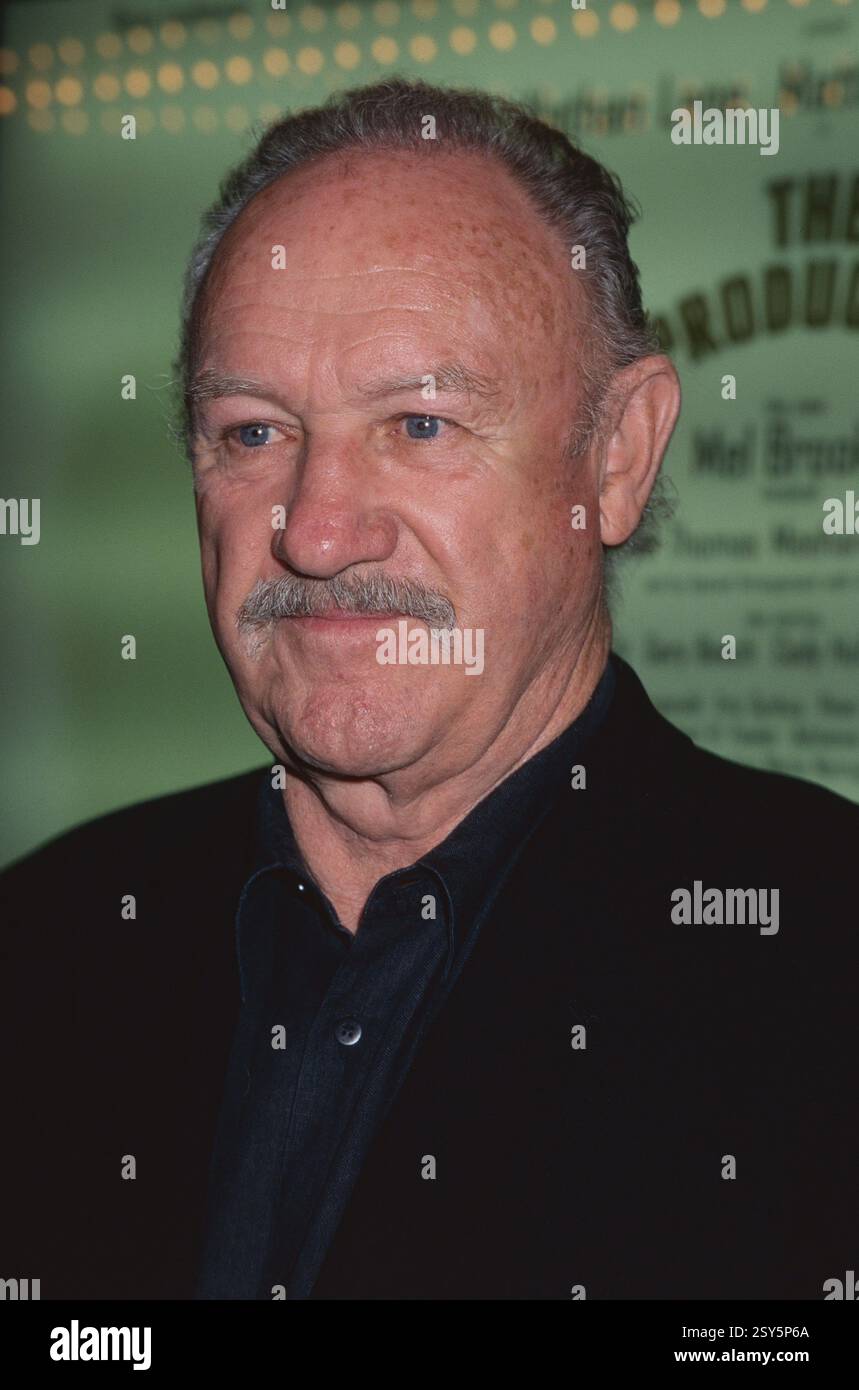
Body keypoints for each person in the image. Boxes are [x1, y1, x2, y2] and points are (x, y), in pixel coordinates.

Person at [1, 79, 856, 1301]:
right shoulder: (46, 946)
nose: (315, 530)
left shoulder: (821, 967)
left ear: (616, 456)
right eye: (252, 432)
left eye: (417, 423)